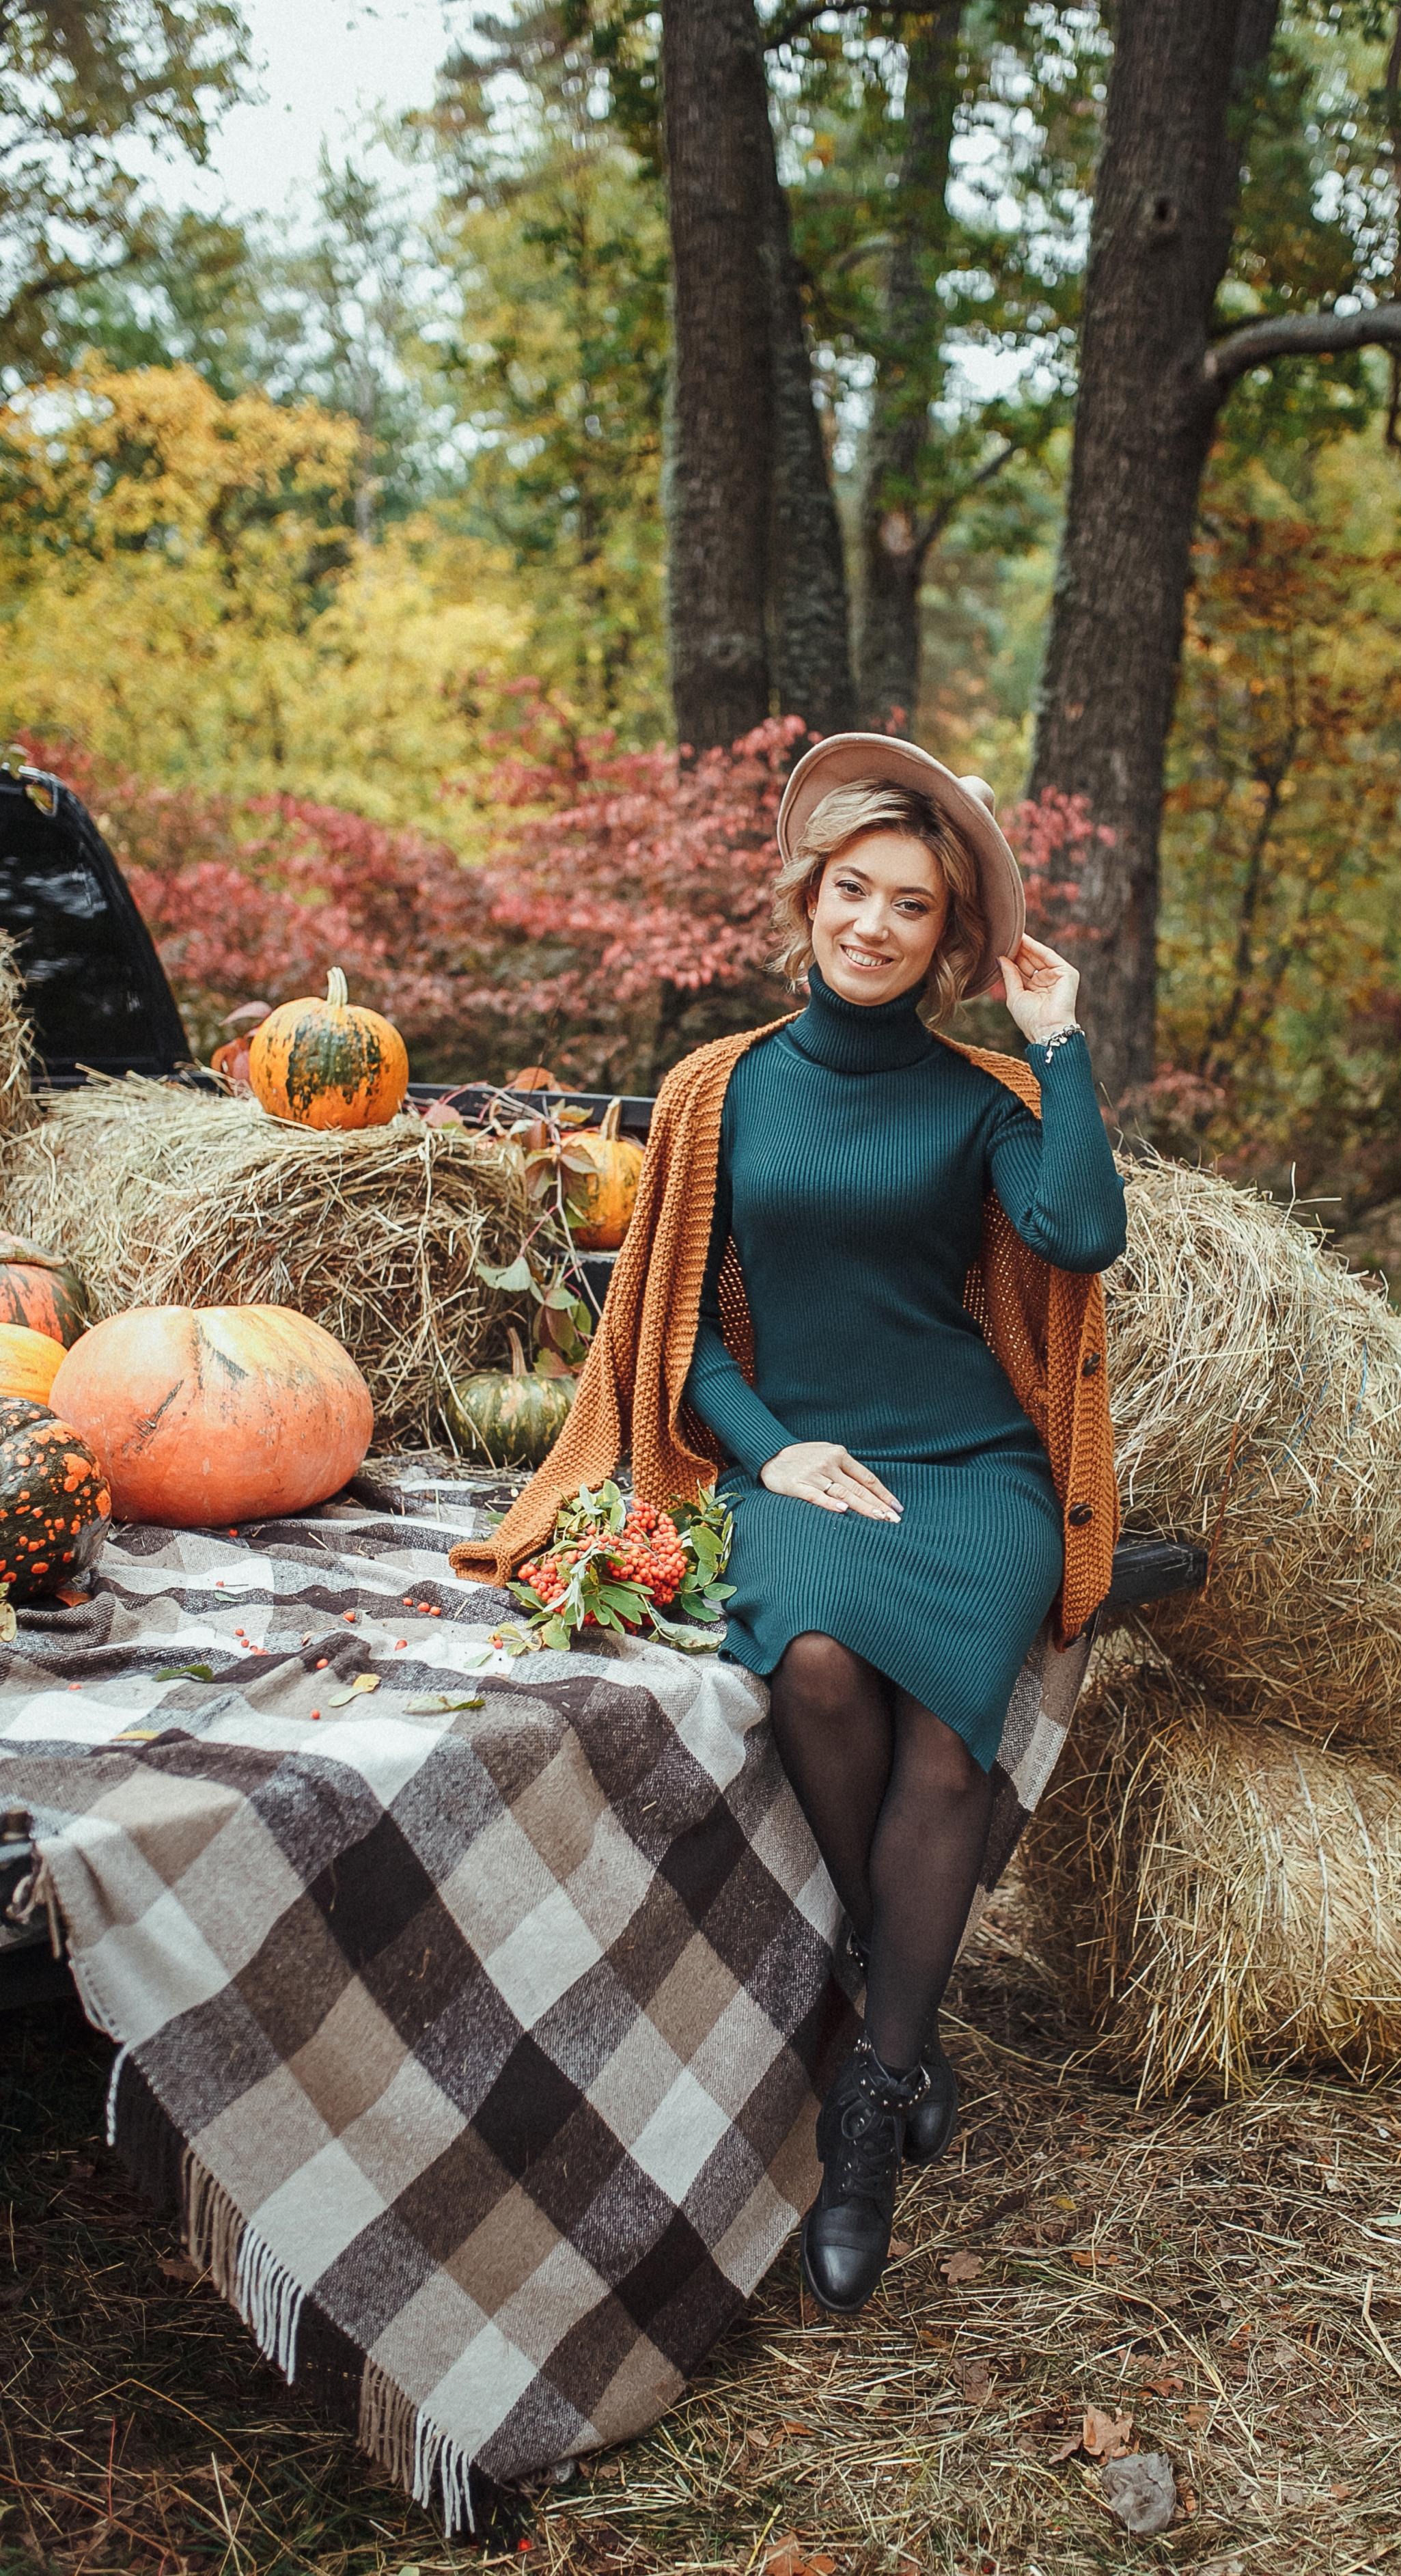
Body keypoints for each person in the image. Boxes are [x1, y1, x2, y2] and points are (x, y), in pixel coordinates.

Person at [452, 733, 1127, 2317]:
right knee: (816, 1663)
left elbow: (1082, 1230)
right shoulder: (721, 1087)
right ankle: (892, 1998)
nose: (875, 926)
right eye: (853, 893)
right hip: (801, 1457)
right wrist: (774, 1445)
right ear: (808, 899)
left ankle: (867, 2109)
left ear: (951, 943)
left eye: (912, 909)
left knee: (947, 1739)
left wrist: (1067, 1042)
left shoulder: (987, 1099)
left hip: (972, 1472)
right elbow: (664, 1318)